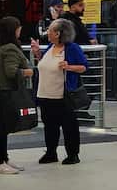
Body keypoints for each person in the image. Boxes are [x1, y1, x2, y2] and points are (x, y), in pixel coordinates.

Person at [0, 16, 34, 175]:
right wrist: (27, 72)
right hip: (5, 92)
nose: (20, 30)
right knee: (3, 128)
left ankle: (4, 158)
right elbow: (11, 72)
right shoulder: (10, 48)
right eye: (18, 27)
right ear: (13, 30)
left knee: (3, 126)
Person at [36, 19, 88, 165]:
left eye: (51, 30)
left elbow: (83, 67)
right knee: (49, 125)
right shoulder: (50, 47)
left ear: (58, 33)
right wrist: (37, 54)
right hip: (45, 93)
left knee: (69, 125)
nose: (48, 33)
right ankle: (51, 152)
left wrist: (69, 66)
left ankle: (72, 154)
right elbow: (46, 65)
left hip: (63, 95)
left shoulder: (72, 48)